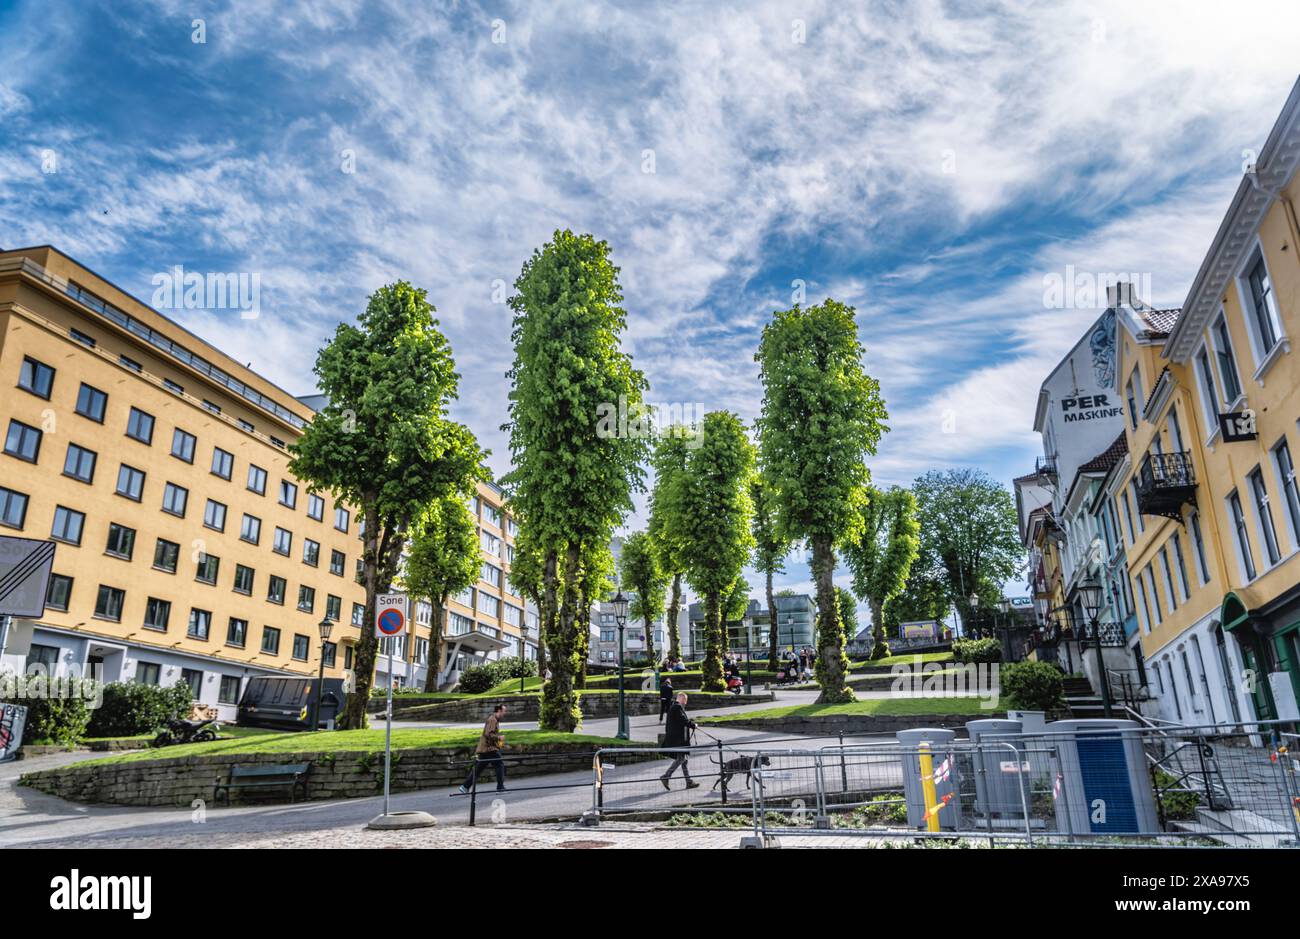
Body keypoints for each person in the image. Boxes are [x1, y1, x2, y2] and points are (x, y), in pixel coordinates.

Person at [458, 703, 508, 793]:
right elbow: (488, 734)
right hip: (489, 749)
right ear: (499, 710)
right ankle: (500, 788)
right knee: (499, 765)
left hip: (485, 749)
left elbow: (489, 734)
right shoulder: (493, 720)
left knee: (478, 769)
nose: (505, 713)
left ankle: (465, 787)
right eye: (504, 711)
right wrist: (499, 737)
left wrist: (500, 743)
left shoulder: (494, 719)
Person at [660, 692, 699, 791]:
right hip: (678, 740)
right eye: (685, 701)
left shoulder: (673, 707)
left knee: (684, 760)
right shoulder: (677, 708)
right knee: (681, 759)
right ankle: (666, 776)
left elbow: (680, 721)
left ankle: (689, 782)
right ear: (682, 699)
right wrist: (693, 725)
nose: (686, 703)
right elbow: (683, 721)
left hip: (676, 739)